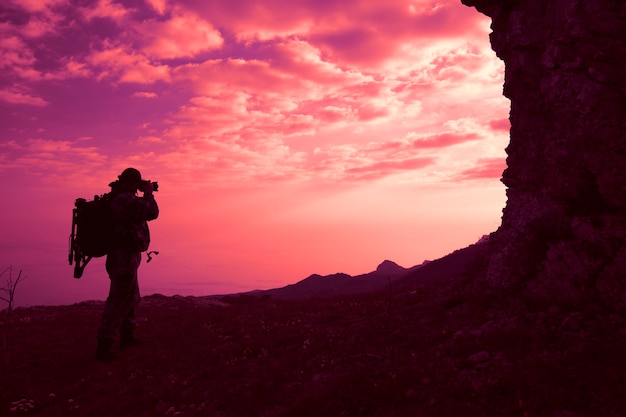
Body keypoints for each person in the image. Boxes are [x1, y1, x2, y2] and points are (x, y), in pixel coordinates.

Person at [96, 167, 159, 362]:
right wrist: (147, 192)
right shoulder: (124, 200)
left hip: (127, 253)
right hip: (122, 255)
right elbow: (152, 212)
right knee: (118, 298)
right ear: (133, 182)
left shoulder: (124, 197)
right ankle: (104, 344)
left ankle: (127, 337)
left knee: (131, 296)